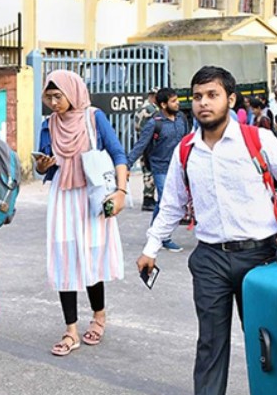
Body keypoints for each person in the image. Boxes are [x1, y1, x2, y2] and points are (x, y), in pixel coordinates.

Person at [136, 66, 277, 395]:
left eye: (212, 95)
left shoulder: (257, 139)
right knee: (210, 343)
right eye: (197, 96)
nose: (203, 103)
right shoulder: (186, 150)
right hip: (210, 258)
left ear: (230, 99)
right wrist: (150, 248)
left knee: (267, 340)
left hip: (260, 257)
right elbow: (171, 204)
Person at [34, 70, 127, 357]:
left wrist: (120, 192)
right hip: (62, 197)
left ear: (72, 92)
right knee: (65, 259)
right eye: (49, 97)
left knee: (91, 256)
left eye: (57, 96)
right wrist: (42, 165)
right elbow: (43, 165)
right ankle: (70, 330)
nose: (53, 102)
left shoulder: (93, 117)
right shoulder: (48, 124)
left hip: (92, 195)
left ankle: (99, 316)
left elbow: (118, 153)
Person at [126, 87, 189, 253]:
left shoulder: (181, 118)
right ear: (163, 104)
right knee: (164, 200)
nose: (178, 103)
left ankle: (155, 233)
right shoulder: (155, 123)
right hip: (160, 167)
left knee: (166, 202)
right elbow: (140, 145)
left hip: (178, 167)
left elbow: (187, 141)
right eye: (174, 101)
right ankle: (163, 237)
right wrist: (126, 165)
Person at [133, 87, 160, 211]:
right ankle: (148, 199)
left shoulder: (143, 107)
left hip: (143, 143)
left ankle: (148, 198)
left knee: (146, 171)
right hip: (150, 144)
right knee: (150, 172)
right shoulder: (151, 109)